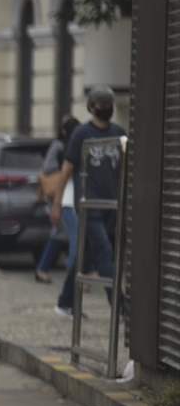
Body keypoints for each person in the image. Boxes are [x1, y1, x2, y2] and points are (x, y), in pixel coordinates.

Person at [51, 87, 127, 318]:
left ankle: (65, 302)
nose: (107, 109)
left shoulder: (119, 132)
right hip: (90, 204)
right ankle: (121, 306)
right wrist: (56, 203)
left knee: (86, 255)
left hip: (113, 205)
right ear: (92, 108)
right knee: (104, 252)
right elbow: (66, 171)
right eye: (102, 106)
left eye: (109, 105)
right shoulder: (81, 134)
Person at [34, 115, 80, 283]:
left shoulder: (76, 146)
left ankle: (42, 268)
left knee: (59, 234)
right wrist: (65, 168)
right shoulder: (58, 146)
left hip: (68, 197)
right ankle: (74, 269)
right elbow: (48, 167)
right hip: (58, 197)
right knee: (72, 234)